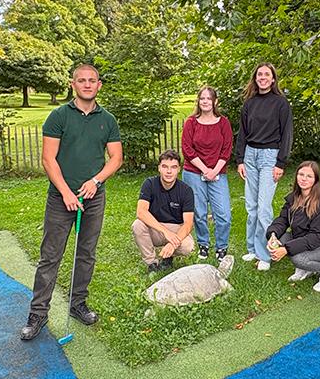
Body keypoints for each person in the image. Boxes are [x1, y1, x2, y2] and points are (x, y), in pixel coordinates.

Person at [20, 64, 123, 341]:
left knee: (86, 253)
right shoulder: (58, 116)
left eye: (92, 81)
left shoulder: (108, 120)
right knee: (50, 257)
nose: (87, 85)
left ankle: (78, 304)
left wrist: (96, 181)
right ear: (72, 84)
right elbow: (48, 159)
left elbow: (116, 158)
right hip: (60, 198)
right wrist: (66, 192)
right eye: (82, 80)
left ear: (99, 85)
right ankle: (38, 313)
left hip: (93, 197)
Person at [235, 62, 294, 271]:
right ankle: (252, 248)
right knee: (251, 207)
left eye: (266, 74)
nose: (262, 77)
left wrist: (281, 162)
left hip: (270, 157)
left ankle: (265, 255)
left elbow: (287, 133)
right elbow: (242, 133)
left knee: (263, 208)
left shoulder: (280, 103)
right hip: (250, 155)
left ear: (273, 79)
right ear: (255, 78)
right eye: (259, 74)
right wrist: (240, 159)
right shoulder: (249, 104)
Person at [266, 161, 320, 292]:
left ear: (315, 180)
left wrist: (286, 249)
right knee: (281, 238)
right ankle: (307, 269)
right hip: (308, 239)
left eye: (309, 176)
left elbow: (317, 236)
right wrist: (273, 235)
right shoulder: (294, 198)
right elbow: (282, 219)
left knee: (298, 258)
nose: (303, 179)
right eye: (301, 174)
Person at [181, 86, 234, 260]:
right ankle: (203, 244)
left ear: (215, 101)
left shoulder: (223, 122)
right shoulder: (191, 122)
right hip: (194, 172)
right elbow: (187, 150)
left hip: (218, 173)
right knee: (199, 212)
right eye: (202, 98)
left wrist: (214, 171)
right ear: (198, 101)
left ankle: (222, 247)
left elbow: (226, 149)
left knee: (223, 214)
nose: (205, 101)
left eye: (208, 99)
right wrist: (204, 170)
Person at [132, 150, 196, 272]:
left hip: (176, 228)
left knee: (188, 246)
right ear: (159, 168)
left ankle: (168, 256)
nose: (168, 171)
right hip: (155, 228)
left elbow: (188, 224)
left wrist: (173, 243)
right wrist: (165, 232)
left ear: (179, 169)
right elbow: (141, 212)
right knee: (137, 225)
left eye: (173, 167)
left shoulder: (186, 190)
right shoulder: (149, 184)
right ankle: (152, 263)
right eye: (165, 166)